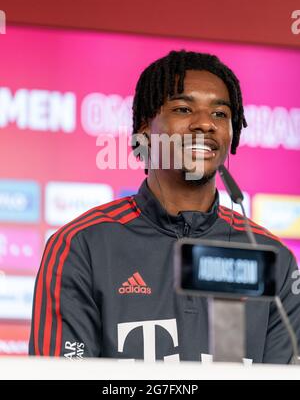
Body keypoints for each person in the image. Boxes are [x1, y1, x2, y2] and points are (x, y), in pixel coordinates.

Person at [29, 50, 300, 362]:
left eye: (220, 114)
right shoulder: (81, 246)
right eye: (184, 109)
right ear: (146, 129)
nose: (204, 124)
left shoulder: (272, 259)